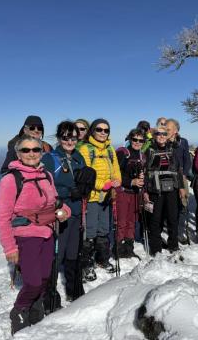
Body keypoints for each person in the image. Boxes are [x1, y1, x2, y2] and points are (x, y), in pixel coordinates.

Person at [0, 135, 71, 335]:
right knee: (33, 281)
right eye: (26, 150)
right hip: (26, 235)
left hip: (47, 233)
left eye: (35, 150)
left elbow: (55, 202)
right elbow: (2, 217)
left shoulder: (46, 175)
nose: (31, 154)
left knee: (45, 277)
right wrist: (10, 247)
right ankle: (19, 310)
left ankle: (36, 308)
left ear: (41, 152)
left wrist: (64, 212)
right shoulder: (11, 180)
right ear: (18, 153)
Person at [41, 121, 86, 302]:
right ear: (59, 137)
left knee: (74, 253)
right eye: (66, 137)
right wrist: (68, 192)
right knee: (57, 255)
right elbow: (45, 188)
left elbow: (82, 183)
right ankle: (49, 296)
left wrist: (85, 188)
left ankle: (75, 291)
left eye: (73, 137)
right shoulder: (50, 159)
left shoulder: (78, 157)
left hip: (76, 212)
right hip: (59, 214)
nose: (70, 141)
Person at [78, 119, 121, 280]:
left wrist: (117, 181)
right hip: (91, 197)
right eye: (99, 129)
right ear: (93, 131)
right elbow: (86, 175)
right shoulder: (85, 149)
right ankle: (86, 264)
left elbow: (116, 170)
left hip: (106, 197)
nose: (103, 133)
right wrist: (103, 185)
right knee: (90, 230)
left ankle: (102, 259)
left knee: (103, 229)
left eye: (106, 130)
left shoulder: (110, 149)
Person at [143, 127, 185, 255]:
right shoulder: (149, 151)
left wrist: (181, 187)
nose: (161, 136)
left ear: (167, 136)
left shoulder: (173, 150)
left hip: (172, 189)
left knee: (173, 218)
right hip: (155, 190)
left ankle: (173, 245)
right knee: (156, 219)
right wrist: (144, 190)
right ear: (154, 136)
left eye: (164, 134)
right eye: (158, 134)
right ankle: (156, 248)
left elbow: (178, 170)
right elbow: (144, 172)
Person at [115, 128, 146, 257]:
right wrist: (131, 182)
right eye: (135, 139)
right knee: (122, 221)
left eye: (141, 140)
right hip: (123, 191)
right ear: (129, 139)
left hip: (135, 193)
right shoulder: (123, 153)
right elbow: (117, 174)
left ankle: (129, 247)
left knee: (132, 221)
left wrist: (143, 178)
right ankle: (118, 248)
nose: (137, 142)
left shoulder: (142, 156)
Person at [166, 118, 191, 242]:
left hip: (181, 176)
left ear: (175, 130)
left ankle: (180, 233)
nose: (166, 131)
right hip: (167, 178)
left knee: (183, 205)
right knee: (170, 206)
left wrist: (185, 174)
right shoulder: (163, 142)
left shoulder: (183, 142)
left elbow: (187, 159)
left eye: (168, 129)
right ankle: (171, 232)